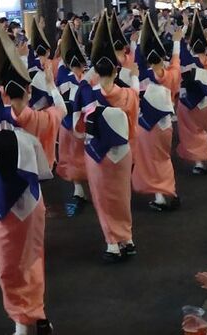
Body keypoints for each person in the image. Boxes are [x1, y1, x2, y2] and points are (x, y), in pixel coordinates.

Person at [0, 24, 59, 335]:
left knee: (7, 262)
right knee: (31, 259)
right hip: (30, 198)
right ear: (26, 91)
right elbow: (60, 112)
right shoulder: (38, 119)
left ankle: (22, 321)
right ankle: (34, 313)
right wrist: (49, 84)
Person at [74, 13, 140, 262]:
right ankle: (128, 238)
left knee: (102, 198)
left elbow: (77, 127)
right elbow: (134, 114)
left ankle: (113, 243)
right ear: (116, 69)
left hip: (96, 152)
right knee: (122, 195)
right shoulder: (128, 95)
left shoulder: (86, 94)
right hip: (122, 151)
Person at [131, 14, 182, 211]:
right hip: (166, 124)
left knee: (149, 160)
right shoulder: (172, 74)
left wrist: (135, 45)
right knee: (164, 159)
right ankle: (171, 191)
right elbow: (176, 60)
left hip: (146, 124)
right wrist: (176, 42)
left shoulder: (142, 77)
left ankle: (160, 196)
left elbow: (137, 64)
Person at [177, 12, 207, 175]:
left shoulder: (184, 61)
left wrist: (185, 28)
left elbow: (178, 50)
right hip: (205, 101)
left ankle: (199, 162)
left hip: (187, 102)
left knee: (190, 132)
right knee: (201, 130)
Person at [55, 23, 91, 216]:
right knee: (87, 157)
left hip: (69, 124)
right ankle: (88, 186)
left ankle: (79, 189)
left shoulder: (62, 76)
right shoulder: (89, 78)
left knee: (71, 156)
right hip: (86, 125)